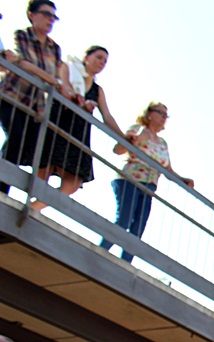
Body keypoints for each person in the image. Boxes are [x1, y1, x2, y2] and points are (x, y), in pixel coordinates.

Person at [30, 44, 125, 212]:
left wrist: (122, 138)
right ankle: (25, 206)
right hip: (58, 122)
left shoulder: (97, 90)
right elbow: (64, 87)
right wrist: (77, 99)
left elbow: (107, 116)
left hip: (78, 132)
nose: (102, 63)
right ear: (87, 57)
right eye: (99, 57)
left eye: (105, 61)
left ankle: (32, 208)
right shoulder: (68, 67)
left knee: (73, 182)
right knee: (43, 170)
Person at [98, 101, 194, 263]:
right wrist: (137, 138)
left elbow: (167, 170)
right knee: (124, 219)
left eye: (166, 115)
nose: (164, 117)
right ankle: (99, 252)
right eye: (160, 113)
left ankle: (124, 263)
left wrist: (182, 180)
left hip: (149, 187)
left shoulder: (162, 143)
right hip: (129, 179)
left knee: (138, 227)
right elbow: (118, 149)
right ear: (149, 113)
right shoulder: (137, 129)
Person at [0, 1, 72, 196]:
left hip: (34, 106)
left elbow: (53, 72)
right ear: (31, 15)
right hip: (11, 96)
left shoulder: (54, 48)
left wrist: (62, 86)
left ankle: (3, 191)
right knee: (15, 138)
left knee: (24, 147)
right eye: (46, 14)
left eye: (53, 17)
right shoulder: (22, 35)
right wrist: (53, 81)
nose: (50, 20)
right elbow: (23, 63)